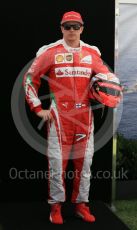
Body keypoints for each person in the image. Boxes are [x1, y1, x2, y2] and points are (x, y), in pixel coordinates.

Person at [23, 11, 112, 224]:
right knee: (56, 163)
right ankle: (56, 208)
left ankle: (81, 206)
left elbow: (107, 78)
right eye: (67, 26)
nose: (71, 30)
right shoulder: (49, 52)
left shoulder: (92, 53)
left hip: (84, 117)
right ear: (61, 28)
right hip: (58, 118)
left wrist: (109, 92)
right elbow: (29, 79)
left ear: (82, 28)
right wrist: (37, 108)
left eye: (75, 26)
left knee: (85, 163)